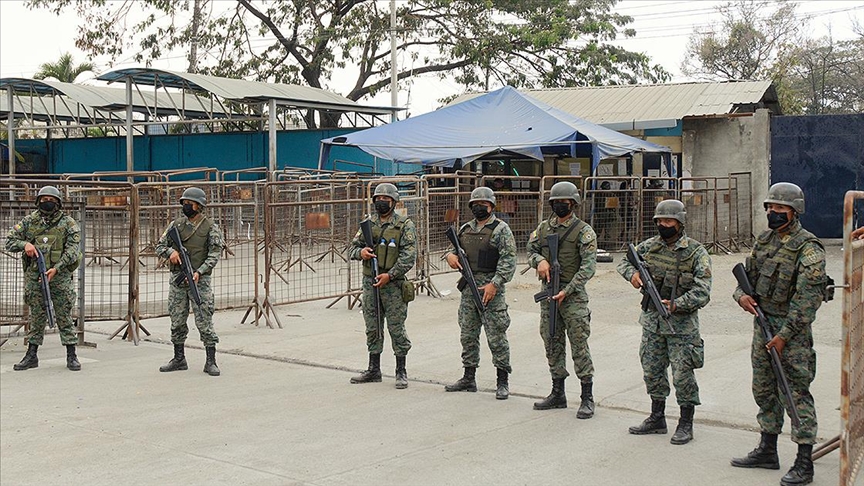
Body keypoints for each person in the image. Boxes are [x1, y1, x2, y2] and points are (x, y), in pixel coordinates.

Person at [730, 182, 828, 486]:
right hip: (763, 324)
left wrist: (784, 336)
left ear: (794, 211)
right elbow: (746, 280)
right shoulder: (764, 241)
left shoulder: (808, 248)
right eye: (770, 207)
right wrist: (741, 297)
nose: (773, 212)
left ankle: (803, 461)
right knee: (764, 389)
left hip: (791, 332)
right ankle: (767, 450)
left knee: (795, 392)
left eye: (779, 208)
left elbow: (808, 300)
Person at [617, 199, 712, 445]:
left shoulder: (695, 252)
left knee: (683, 375)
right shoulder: (650, 247)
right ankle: (657, 417)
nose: (663, 225)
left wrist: (677, 304)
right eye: (659, 221)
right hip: (652, 323)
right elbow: (624, 262)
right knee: (652, 370)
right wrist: (633, 274)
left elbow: (703, 291)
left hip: (681, 327)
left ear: (680, 223)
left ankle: (685, 422)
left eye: (668, 221)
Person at [527, 181, 598, 418]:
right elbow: (530, 249)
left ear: (573, 203)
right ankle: (558, 392)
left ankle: (587, 397)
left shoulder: (583, 231)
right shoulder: (544, 229)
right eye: (556, 202)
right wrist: (539, 261)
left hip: (573, 298)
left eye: (564, 202)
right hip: (549, 295)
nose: (559, 205)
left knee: (579, 345)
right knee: (551, 340)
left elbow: (588, 268)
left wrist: (568, 290)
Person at [444, 186, 517, 399]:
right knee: (468, 334)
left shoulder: (501, 229)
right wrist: (450, 256)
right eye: (475, 205)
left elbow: (508, 260)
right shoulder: (466, 229)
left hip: (490, 290)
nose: (478, 208)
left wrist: (495, 284)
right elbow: (457, 250)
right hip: (469, 287)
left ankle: (502, 380)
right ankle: (469, 376)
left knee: (496, 336)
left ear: (491, 206)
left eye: (482, 205)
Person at [5, 185, 82, 371]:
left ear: (58, 203)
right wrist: (25, 245)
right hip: (35, 277)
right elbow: (9, 240)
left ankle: (71, 354)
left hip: (60, 277)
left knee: (64, 315)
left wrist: (56, 268)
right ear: (38, 202)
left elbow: (73, 251)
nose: (47, 203)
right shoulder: (30, 222)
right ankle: (32, 355)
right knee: (37, 316)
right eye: (44, 200)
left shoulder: (68, 223)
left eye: (52, 200)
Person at [349, 183, 417, 389]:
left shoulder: (404, 225)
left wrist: (391, 274)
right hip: (371, 283)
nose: (381, 202)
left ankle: (401, 370)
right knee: (373, 327)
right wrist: (360, 253)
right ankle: (374, 369)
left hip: (393, 285)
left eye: (385, 200)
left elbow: (409, 256)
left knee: (396, 327)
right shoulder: (368, 224)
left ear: (394, 202)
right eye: (378, 199)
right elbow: (352, 248)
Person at [155, 187, 225, 376]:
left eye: (189, 203)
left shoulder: (210, 227)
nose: (186, 206)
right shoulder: (175, 225)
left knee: (204, 319)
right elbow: (159, 246)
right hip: (178, 281)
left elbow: (214, 254)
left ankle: (211, 361)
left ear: (199, 205)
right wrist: (171, 252)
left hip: (199, 281)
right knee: (177, 319)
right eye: (184, 202)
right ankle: (179, 358)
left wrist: (199, 272)